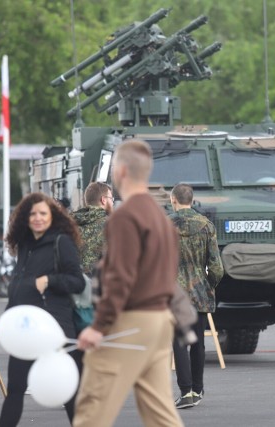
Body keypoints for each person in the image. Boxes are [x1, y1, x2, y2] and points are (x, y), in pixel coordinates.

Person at [73, 139, 183, 427]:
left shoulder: (124, 219)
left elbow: (120, 277)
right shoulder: (162, 220)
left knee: (91, 410)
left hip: (131, 321)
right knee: (161, 414)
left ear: (120, 172)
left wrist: (99, 327)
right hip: (161, 321)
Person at [0, 192, 85, 427]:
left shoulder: (61, 242)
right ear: (25, 218)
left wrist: (49, 280)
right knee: (15, 388)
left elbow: (77, 282)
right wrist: (6, 319)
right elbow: (19, 288)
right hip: (26, 328)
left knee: (70, 393)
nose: (37, 218)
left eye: (43, 213)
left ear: (52, 216)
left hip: (56, 328)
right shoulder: (25, 245)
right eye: (33, 213)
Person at [169, 183, 224, 409]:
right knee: (198, 343)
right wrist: (208, 285)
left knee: (179, 343)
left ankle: (186, 391)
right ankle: (198, 388)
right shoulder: (206, 226)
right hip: (200, 292)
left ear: (173, 200)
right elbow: (217, 268)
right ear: (191, 200)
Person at [72, 182, 115, 275]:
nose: (112, 203)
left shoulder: (71, 224)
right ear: (103, 200)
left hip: (76, 284)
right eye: (111, 199)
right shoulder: (111, 226)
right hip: (99, 285)